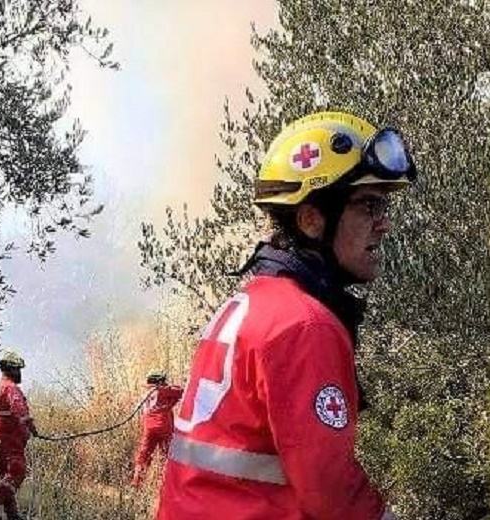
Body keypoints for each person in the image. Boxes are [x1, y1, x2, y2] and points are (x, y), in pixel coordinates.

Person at [157, 111, 415, 519]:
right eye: (368, 205)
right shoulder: (305, 326)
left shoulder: (255, 302)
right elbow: (329, 489)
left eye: (383, 206)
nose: (382, 224)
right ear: (312, 220)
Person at [0, 351, 37, 520]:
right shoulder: (11, 388)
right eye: (18, 369)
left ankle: (12, 515)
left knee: (6, 476)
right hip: (10, 439)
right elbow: (20, 410)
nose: (20, 373)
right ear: (10, 370)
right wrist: (32, 428)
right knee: (18, 471)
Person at [132, 369, 183, 487]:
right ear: (160, 382)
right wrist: (170, 386)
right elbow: (180, 391)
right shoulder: (163, 390)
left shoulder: (147, 393)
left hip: (148, 428)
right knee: (166, 456)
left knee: (144, 454)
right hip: (163, 426)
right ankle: (164, 485)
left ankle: (137, 482)